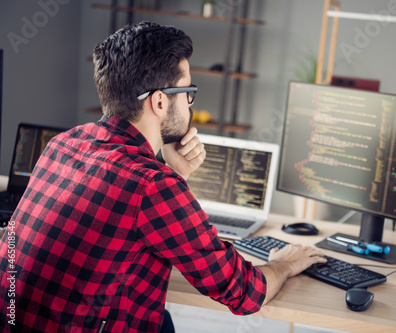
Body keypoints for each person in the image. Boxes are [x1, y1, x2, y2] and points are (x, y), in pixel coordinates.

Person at [0, 21, 326, 332]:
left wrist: (175, 173)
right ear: (159, 101)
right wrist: (285, 263)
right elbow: (242, 291)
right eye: (188, 92)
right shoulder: (151, 184)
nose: (189, 104)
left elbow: (135, 228)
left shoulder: (64, 144)